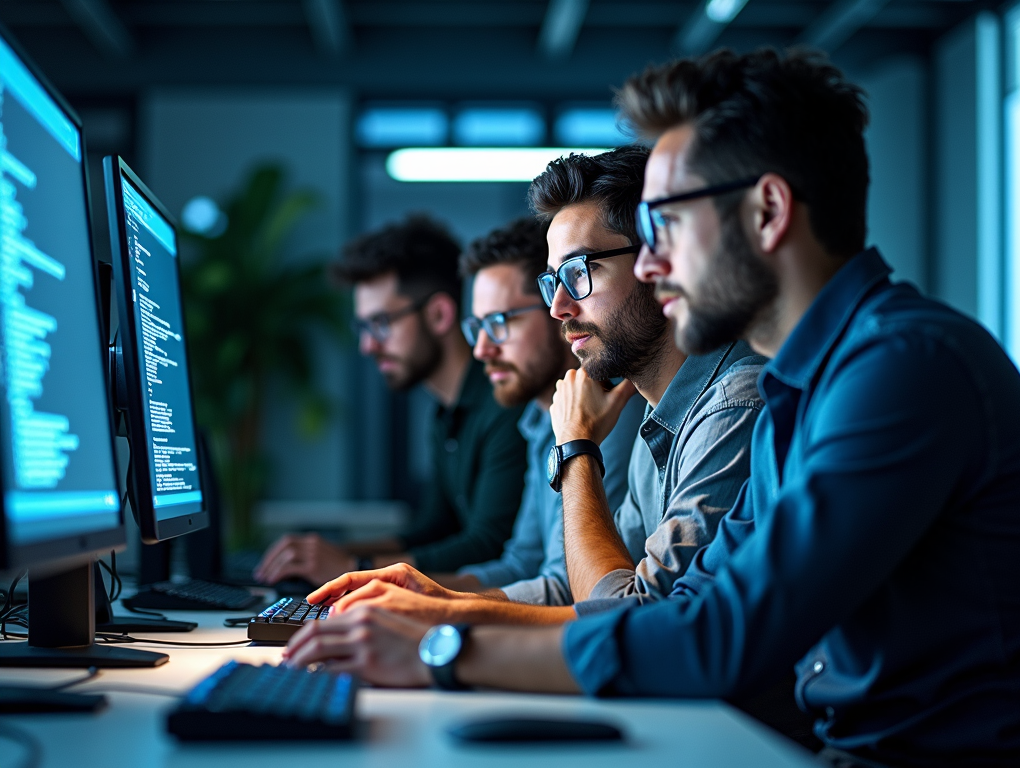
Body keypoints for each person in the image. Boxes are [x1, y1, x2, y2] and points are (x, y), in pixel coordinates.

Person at [284, 49, 1020, 767]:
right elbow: (676, 615)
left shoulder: (900, 369)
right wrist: (444, 617)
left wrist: (446, 647)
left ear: (767, 212)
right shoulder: (799, 388)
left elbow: (719, 638)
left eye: (665, 223)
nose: (649, 262)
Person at [296, 146, 765, 626]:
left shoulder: (732, 406)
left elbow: (628, 620)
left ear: (657, 265)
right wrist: (437, 601)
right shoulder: (656, 416)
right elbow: (570, 585)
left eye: (582, 272)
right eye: (553, 281)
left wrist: (576, 449)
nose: (558, 306)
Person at [254, 215, 528, 586]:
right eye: (364, 327)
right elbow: (433, 528)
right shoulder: (445, 413)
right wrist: (326, 555)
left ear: (439, 314)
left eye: (381, 323)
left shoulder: (505, 402)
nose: (368, 345)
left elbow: (487, 544)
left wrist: (356, 565)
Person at [435, 216, 644, 604]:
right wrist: (421, 591)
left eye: (500, 322)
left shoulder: (612, 412)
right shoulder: (539, 420)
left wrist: (437, 607)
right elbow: (521, 564)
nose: (482, 350)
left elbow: (573, 590)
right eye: (477, 327)